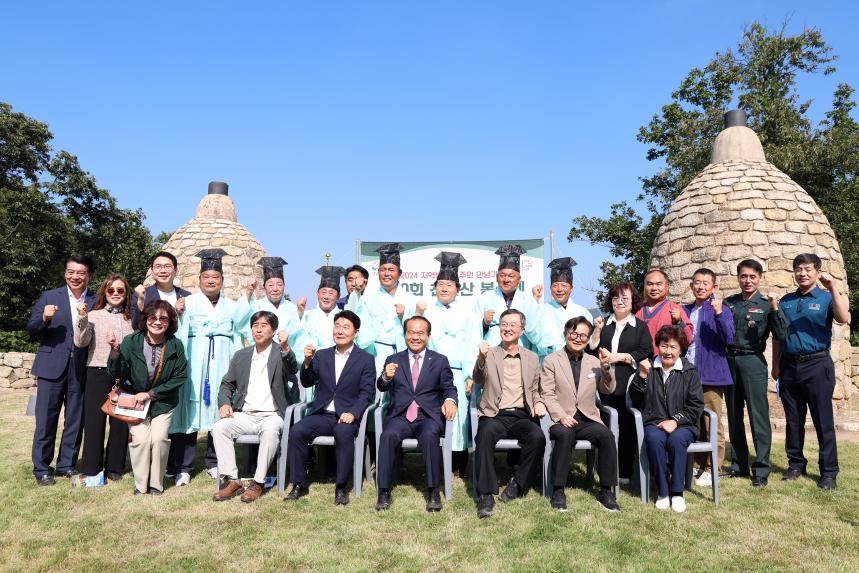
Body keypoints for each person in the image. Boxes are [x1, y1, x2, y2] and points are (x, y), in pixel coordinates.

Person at [168, 248, 251, 485]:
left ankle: (215, 462)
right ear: (199, 280)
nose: (211, 281)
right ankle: (183, 466)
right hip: (196, 362)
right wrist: (179, 313)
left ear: (222, 281)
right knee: (189, 411)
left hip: (222, 361)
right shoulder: (187, 302)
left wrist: (248, 294)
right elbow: (177, 330)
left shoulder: (232, 305)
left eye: (216, 277)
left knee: (221, 409)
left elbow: (243, 327)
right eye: (206, 277)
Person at [773, 253, 850, 490]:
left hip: (817, 365)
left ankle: (829, 472)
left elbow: (843, 317)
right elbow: (778, 335)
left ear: (817, 271)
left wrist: (833, 287)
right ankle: (796, 464)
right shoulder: (785, 301)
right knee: (793, 420)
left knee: (823, 420)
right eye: (798, 269)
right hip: (789, 365)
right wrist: (776, 365)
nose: (803, 273)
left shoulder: (827, 297)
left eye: (808, 269)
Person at [284, 310, 376, 505]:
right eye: (337, 326)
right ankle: (299, 484)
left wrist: (353, 413)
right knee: (297, 431)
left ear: (355, 332)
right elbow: (307, 382)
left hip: (347, 415)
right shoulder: (322, 355)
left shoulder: (365, 360)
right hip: (322, 413)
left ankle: (341, 487)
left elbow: (367, 393)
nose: (340, 331)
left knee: (344, 434)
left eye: (346, 327)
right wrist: (307, 362)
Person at [212, 310, 300, 503]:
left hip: (272, 414)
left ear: (274, 330)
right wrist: (225, 403)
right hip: (245, 414)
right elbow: (227, 384)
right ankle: (232, 480)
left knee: (270, 431)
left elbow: (293, 367)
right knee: (219, 428)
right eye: (255, 325)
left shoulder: (280, 352)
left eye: (264, 325)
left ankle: (258, 482)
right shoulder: (241, 355)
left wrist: (285, 347)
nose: (258, 330)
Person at [27, 255, 97, 486]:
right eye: (71, 272)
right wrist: (45, 318)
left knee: (75, 420)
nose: (75, 276)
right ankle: (42, 469)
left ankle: (66, 464)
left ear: (89, 275)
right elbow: (32, 327)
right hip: (50, 367)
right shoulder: (49, 296)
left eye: (81, 273)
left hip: (81, 368)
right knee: (46, 420)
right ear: (65, 273)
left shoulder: (96, 300)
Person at [375, 315, 458, 512]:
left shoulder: (439, 361)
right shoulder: (393, 360)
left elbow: (449, 388)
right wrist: (386, 376)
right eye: (411, 332)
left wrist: (450, 400)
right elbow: (381, 386)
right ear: (405, 335)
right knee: (388, 436)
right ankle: (384, 491)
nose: (415, 337)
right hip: (401, 416)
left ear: (428, 336)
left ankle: (433, 491)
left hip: (428, 416)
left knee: (430, 436)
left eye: (420, 333)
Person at [108, 300, 189, 495]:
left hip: (163, 402)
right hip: (135, 403)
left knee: (159, 439)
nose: (158, 322)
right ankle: (140, 485)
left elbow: (180, 377)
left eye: (163, 318)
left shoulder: (175, 345)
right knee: (141, 441)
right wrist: (115, 351)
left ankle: (156, 484)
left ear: (169, 323)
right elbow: (117, 373)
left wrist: (152, 394)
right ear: (146, 319)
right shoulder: (132, 341)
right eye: (153, 317)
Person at [540, 317, 619, 512]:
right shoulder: (552, 361)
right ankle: (558, 489)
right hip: (561, 417)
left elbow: (607, 389)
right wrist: (560, 416)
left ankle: (605, 490)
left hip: (587, 417)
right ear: (566, 334)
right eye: (574, 334)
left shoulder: (594, 361)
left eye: (584, 335)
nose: (578, 338)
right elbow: (547, 394)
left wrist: (606, 368)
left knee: (606, 435)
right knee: (565, 435)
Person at [472, 309, 545, 519]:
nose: (508, 328)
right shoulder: (490, 353)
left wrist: (539, 403)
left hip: (521, 415)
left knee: (538, 437)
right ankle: (486, 494)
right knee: (484, 435)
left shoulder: (531, 358)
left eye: (513, 325)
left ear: (521, 330)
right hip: (495, 414)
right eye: (504, 324)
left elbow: (534, 390)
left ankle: (517, 484)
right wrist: (481, 358)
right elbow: (478, 378)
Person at [724, 259, 787, 486]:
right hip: (730, 361)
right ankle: (739, 464)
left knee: (758, 417)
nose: (747, 280)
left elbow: (781, 333)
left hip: (752, 362)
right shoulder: (728, 303)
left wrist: (775, 308)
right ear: (738, 277)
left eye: (752, 276)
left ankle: (761, 469)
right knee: (733, 416)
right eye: (743, 276)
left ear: (759, 277)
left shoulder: (765, 303)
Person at [629, 326, 704, 513]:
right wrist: (642, 376)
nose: (668, 352)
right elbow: (636, 399)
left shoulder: (689, 371)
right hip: (653, 421)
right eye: (664, 346)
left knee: (677, 440)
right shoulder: (648, 368)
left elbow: (696, 404)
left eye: (673, 347)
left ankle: (677, 492)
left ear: (680, 350)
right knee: (655, 439)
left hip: (683, 424)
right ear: (658, 347)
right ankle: (663, 491)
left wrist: (676, 421)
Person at [423, 252, 481, 477]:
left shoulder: (469, 314)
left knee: (460, 417)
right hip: (430, 372)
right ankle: (434, 461)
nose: (444, 288)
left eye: (449, 284)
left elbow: (473, 345)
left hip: (457, 372)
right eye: (440, 284)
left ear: (458, 288)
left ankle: (459, 463)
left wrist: (470, 375)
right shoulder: (426, 311)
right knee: (431, 412)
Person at [589, 282, 653, 484]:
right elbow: (591, 350)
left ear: (633, 301)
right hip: (604, 384)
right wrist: (597, 331)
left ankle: (624, 472)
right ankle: (605, 469)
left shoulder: (640, 327)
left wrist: (620, 357)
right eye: (616, 298)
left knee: (627, 428)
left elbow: (646, 352)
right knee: (605, 428)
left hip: (628, 385)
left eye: (625, 298)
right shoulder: (603, 324)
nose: (620, 302)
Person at [74, 273, 134, 483]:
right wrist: (82, 318)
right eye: (111, 290)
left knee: (119, 422)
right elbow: (81, 342)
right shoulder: (93, 315)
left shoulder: (131, 318)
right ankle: (91, 467)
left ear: (126, 294)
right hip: (97, 371)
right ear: (104, 293)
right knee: (94, 421)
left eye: (120, 290)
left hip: (124, 375)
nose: (115, 294)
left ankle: (115, 467)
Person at [682, 268, 735, 487]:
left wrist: (720, 313)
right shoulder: (684, 310)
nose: (701, 286)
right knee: (692, 421)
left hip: (711, 375)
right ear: (691, 285)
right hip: (687, 375)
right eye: (697, 282)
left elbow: (730, 338)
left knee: (711, 421)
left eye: (706, 283)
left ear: (714, 287)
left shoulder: (720, 309)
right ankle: (696, 463)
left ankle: (713, 466)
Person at [363, 244, 421, 374]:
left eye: (391, 269)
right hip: (375, 354)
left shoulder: (410, 299)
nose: (386, 273)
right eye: (383, 270)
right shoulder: (368, 299)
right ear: (378, 272)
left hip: (402, 354)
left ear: (400, 273)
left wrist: (404, 317)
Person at [474, 244, 541, 348]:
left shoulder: (528, 301)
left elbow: (537, 335)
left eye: (511, 276)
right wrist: (485, 323)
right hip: (491, 354)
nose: (506, 280)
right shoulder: (484, 299)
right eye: (502, 275)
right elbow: (472, 332)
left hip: (520, 355)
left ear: (519, 279)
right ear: (496, 277)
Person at [531, 257, 594, 360]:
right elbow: (533, 337)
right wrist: (535, 301)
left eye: (564, 285)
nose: (559, 289)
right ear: (550, 288)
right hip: (547, 364)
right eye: (555, 285)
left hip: (577, 363)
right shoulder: (541, 310)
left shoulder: (583, 313)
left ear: (571, 288)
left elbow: (589, 342)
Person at [245, 256, 304, 359]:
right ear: (264, 287)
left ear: (284, 286)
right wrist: (249, 291)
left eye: (279, 284)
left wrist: (299, 315)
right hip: (262, 358)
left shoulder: (292, 308)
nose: (275, 289)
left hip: (286, 360)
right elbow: (244, 325)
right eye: (270, 285)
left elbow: (298, 338)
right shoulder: (256, 306)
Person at [635, 269, 694, 355]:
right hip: (638, 362)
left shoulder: (674, 309)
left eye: (659, 284)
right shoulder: (637, 309)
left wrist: (679, 322)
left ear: (667, 286)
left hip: (664, 362)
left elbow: (688, 339)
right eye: (649, 284)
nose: (654, 288)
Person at [132, 251, 191, 328]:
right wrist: (140, 304)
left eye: (167, 266)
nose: (163, 271)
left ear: (176, 271)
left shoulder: (187, 296)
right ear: (152, 272)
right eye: (158, 266)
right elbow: (136, 327)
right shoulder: (141, 295)